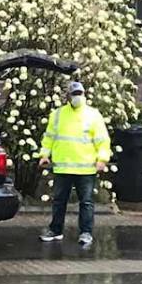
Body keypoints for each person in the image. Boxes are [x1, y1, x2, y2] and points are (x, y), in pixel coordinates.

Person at [39, 80, 112, 248]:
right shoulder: (57, 115)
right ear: (68, 97)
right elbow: (49, 137)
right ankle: (56, 230)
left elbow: (102, 140)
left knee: (86, 202)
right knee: (59, 201)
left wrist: (102, 159)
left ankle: (86, 232)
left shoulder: (93, 115)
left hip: (85, 168)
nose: (77, 97)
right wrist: (44, 154)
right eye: (74, 94)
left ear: (84, 94)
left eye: (80, 94)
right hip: (63, 166)